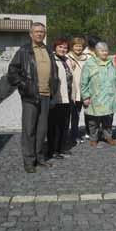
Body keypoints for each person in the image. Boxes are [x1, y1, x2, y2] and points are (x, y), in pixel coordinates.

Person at [7, 22, 59, 173]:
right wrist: (25, 86)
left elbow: (53, 72)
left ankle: (39, 158)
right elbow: (12, 72)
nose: (39, 34)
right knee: (29, 130)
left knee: (42, 130)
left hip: (46, 95)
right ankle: (29, 161)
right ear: (31, 34)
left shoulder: (48, 50)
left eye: (42, 32)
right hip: (30, 96)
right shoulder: (24, 50)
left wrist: (54, 90)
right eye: (36, 32)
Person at [80, 42, 116, 148]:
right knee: (93, 120)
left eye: (106, 50)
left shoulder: (112, 63)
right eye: (101, 50)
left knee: (108, 119)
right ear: (96, 52)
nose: (104, 52)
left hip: (109, 96)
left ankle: (108, 136)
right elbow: (83, 81)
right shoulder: (89, 64)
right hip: (95, 97)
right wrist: (85, 96)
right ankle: (93, 138)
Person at [47, 39, 73, 159]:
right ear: (55, 48)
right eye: (60, 47)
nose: (63, 49)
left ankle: (62, 147)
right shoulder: (52, 60)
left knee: (64, 124)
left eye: (65, 48)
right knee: (54, 125)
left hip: (67, 97)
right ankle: (53, 150)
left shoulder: (67, 60)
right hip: (57, 98)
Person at [67, 36, 88, 145]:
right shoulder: (67, 57)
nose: (78, 48)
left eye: (80, 46)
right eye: (76, 46)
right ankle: (71, 135)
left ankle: (79, 134)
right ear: (72, 46)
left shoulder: (87, 58)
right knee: (71, 115)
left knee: (80, 114)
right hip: (71, 91)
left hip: (83, 90)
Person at [82, 35, 101, 140]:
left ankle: (97, 129)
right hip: (89, 85)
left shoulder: (99, 53)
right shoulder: (85, 55)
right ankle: (89, 130)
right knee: (89, 109)